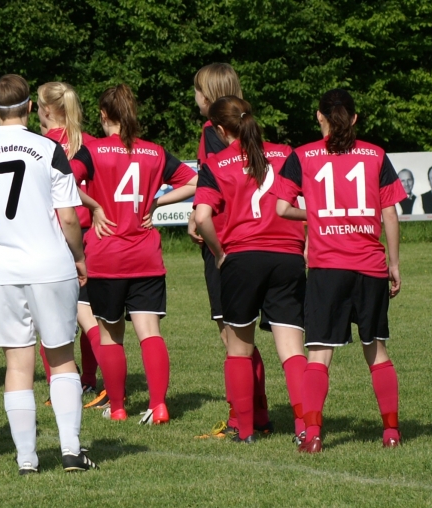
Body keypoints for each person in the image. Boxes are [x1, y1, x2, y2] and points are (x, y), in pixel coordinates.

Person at [0, 74, 96, 474]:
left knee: (18, 364)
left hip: (1, 270)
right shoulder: (49, 149)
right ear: (30, 107)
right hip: (50, 265)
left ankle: (26, 459)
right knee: (61, 357)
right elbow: (68, 217)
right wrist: (79, 256)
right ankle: (71, 451)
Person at [271, 88, 405, 453]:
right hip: (370, 265)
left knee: (319, 354)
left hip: (327, 268)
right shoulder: (376, 155)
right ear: (355, 118)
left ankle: (313, 435)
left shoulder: (302, 155)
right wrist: (394, 264)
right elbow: (390, 213)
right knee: (376, 350)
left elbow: (281, 208)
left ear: (319, 116)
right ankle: (391, 432)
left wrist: (315, 215)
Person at [192, 96, 307, 444]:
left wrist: (219, 252)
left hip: (242, 258)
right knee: (292, 351)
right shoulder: (286, 154)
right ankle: (306, 427)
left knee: (239, 349)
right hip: (287, 257)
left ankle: (244, 431)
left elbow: (201, 217)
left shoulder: (216, 163)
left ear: (219, 129)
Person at [82, 84, 197, 424]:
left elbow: (61, 181)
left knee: (110, 335)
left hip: (106, 255)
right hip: (145, 255)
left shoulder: (93, 150)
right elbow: (194, 181)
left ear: (104, 115)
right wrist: (156, 202)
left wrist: (94, 207)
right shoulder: (155, 151)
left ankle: (118, 408)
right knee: (150, 331)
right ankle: (158, 405)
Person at [189, 63, 271, 440]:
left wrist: (198, 216)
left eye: (197, 90)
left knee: (232, 337)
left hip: (224, 241)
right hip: (255, 237)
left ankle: (242, 417)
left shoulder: (212, 131)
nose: (195, 97)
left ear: (208, 95)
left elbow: (214, 181)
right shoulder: (246, 125)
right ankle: (259, 412)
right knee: (244, 336)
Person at [36, 81, 113, 408]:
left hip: (53, 236)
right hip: (90, 237)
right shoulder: (91, 143)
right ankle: (91, 381)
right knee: (89, 313)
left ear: (46, 110)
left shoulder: (39, 147)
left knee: (52, 319)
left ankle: (62, 386)